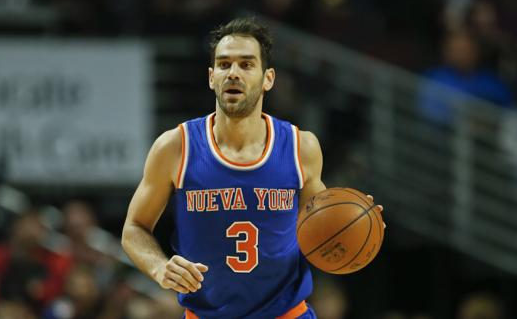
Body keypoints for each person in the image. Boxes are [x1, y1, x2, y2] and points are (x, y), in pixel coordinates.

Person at [121, 17, 383, 319]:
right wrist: (159, 267)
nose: (233, 73)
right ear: (211, 77)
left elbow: (322, 231)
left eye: (246, 64)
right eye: (224, 64)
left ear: (268, 78)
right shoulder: (175, 147)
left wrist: (354, 222)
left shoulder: (301, 148)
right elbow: (133, 228)